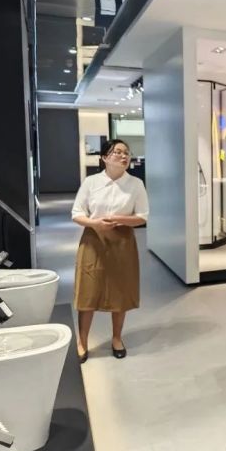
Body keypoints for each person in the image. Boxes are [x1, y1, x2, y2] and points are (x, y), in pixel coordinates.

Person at [72, 139, 149, 363]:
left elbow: (142, 216)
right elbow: (77, 213)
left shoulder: (135, 184)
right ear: (105, 157)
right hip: (93, 240)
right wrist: (95, 223)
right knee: (88, 291)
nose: (124, 156)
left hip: (122, 242)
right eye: (118, 152)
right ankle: (82, 341)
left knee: (120, 292)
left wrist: (119, 219)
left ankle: (117, 338)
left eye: (127, 153)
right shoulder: (91, 182)